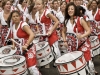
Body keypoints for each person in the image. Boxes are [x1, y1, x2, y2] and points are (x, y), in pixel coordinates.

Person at [7, 10, 41, 75]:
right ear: (11, 18)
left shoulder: (23, 25)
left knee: (32, 67)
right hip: (20, 50)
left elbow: (32, 34)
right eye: (13, 16)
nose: (15, 17)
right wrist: (13, 45)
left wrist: (26, 45)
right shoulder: (13, 26)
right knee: (21, 68)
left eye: (17, 16)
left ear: (20, 17)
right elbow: (13, 37)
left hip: (29, 48)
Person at [62, 2, 92, 73]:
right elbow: (63, 32)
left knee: (88, 64)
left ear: (75, 10)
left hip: (83, 45)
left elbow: (88, 31)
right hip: (71, 47)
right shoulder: (66, 21)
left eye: (72, 9)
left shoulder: (80, 19)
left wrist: (82, 36)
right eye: (68, 9)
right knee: (76, 66)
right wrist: (65, 41)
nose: (70, 10)